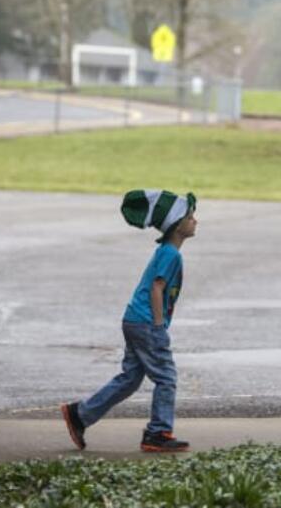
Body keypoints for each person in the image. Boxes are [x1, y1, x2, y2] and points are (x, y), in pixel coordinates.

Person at [62, 189, 197, 453]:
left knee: (130, 379)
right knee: (166, 377)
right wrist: (158, 327)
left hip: (134, 320)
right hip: (147, 323)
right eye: (190, 216)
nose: (195, 220)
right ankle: (158, 433)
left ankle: (80, 414)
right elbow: (158, 288)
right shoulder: (171, 254)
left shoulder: (166, 251)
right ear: (176, 225)